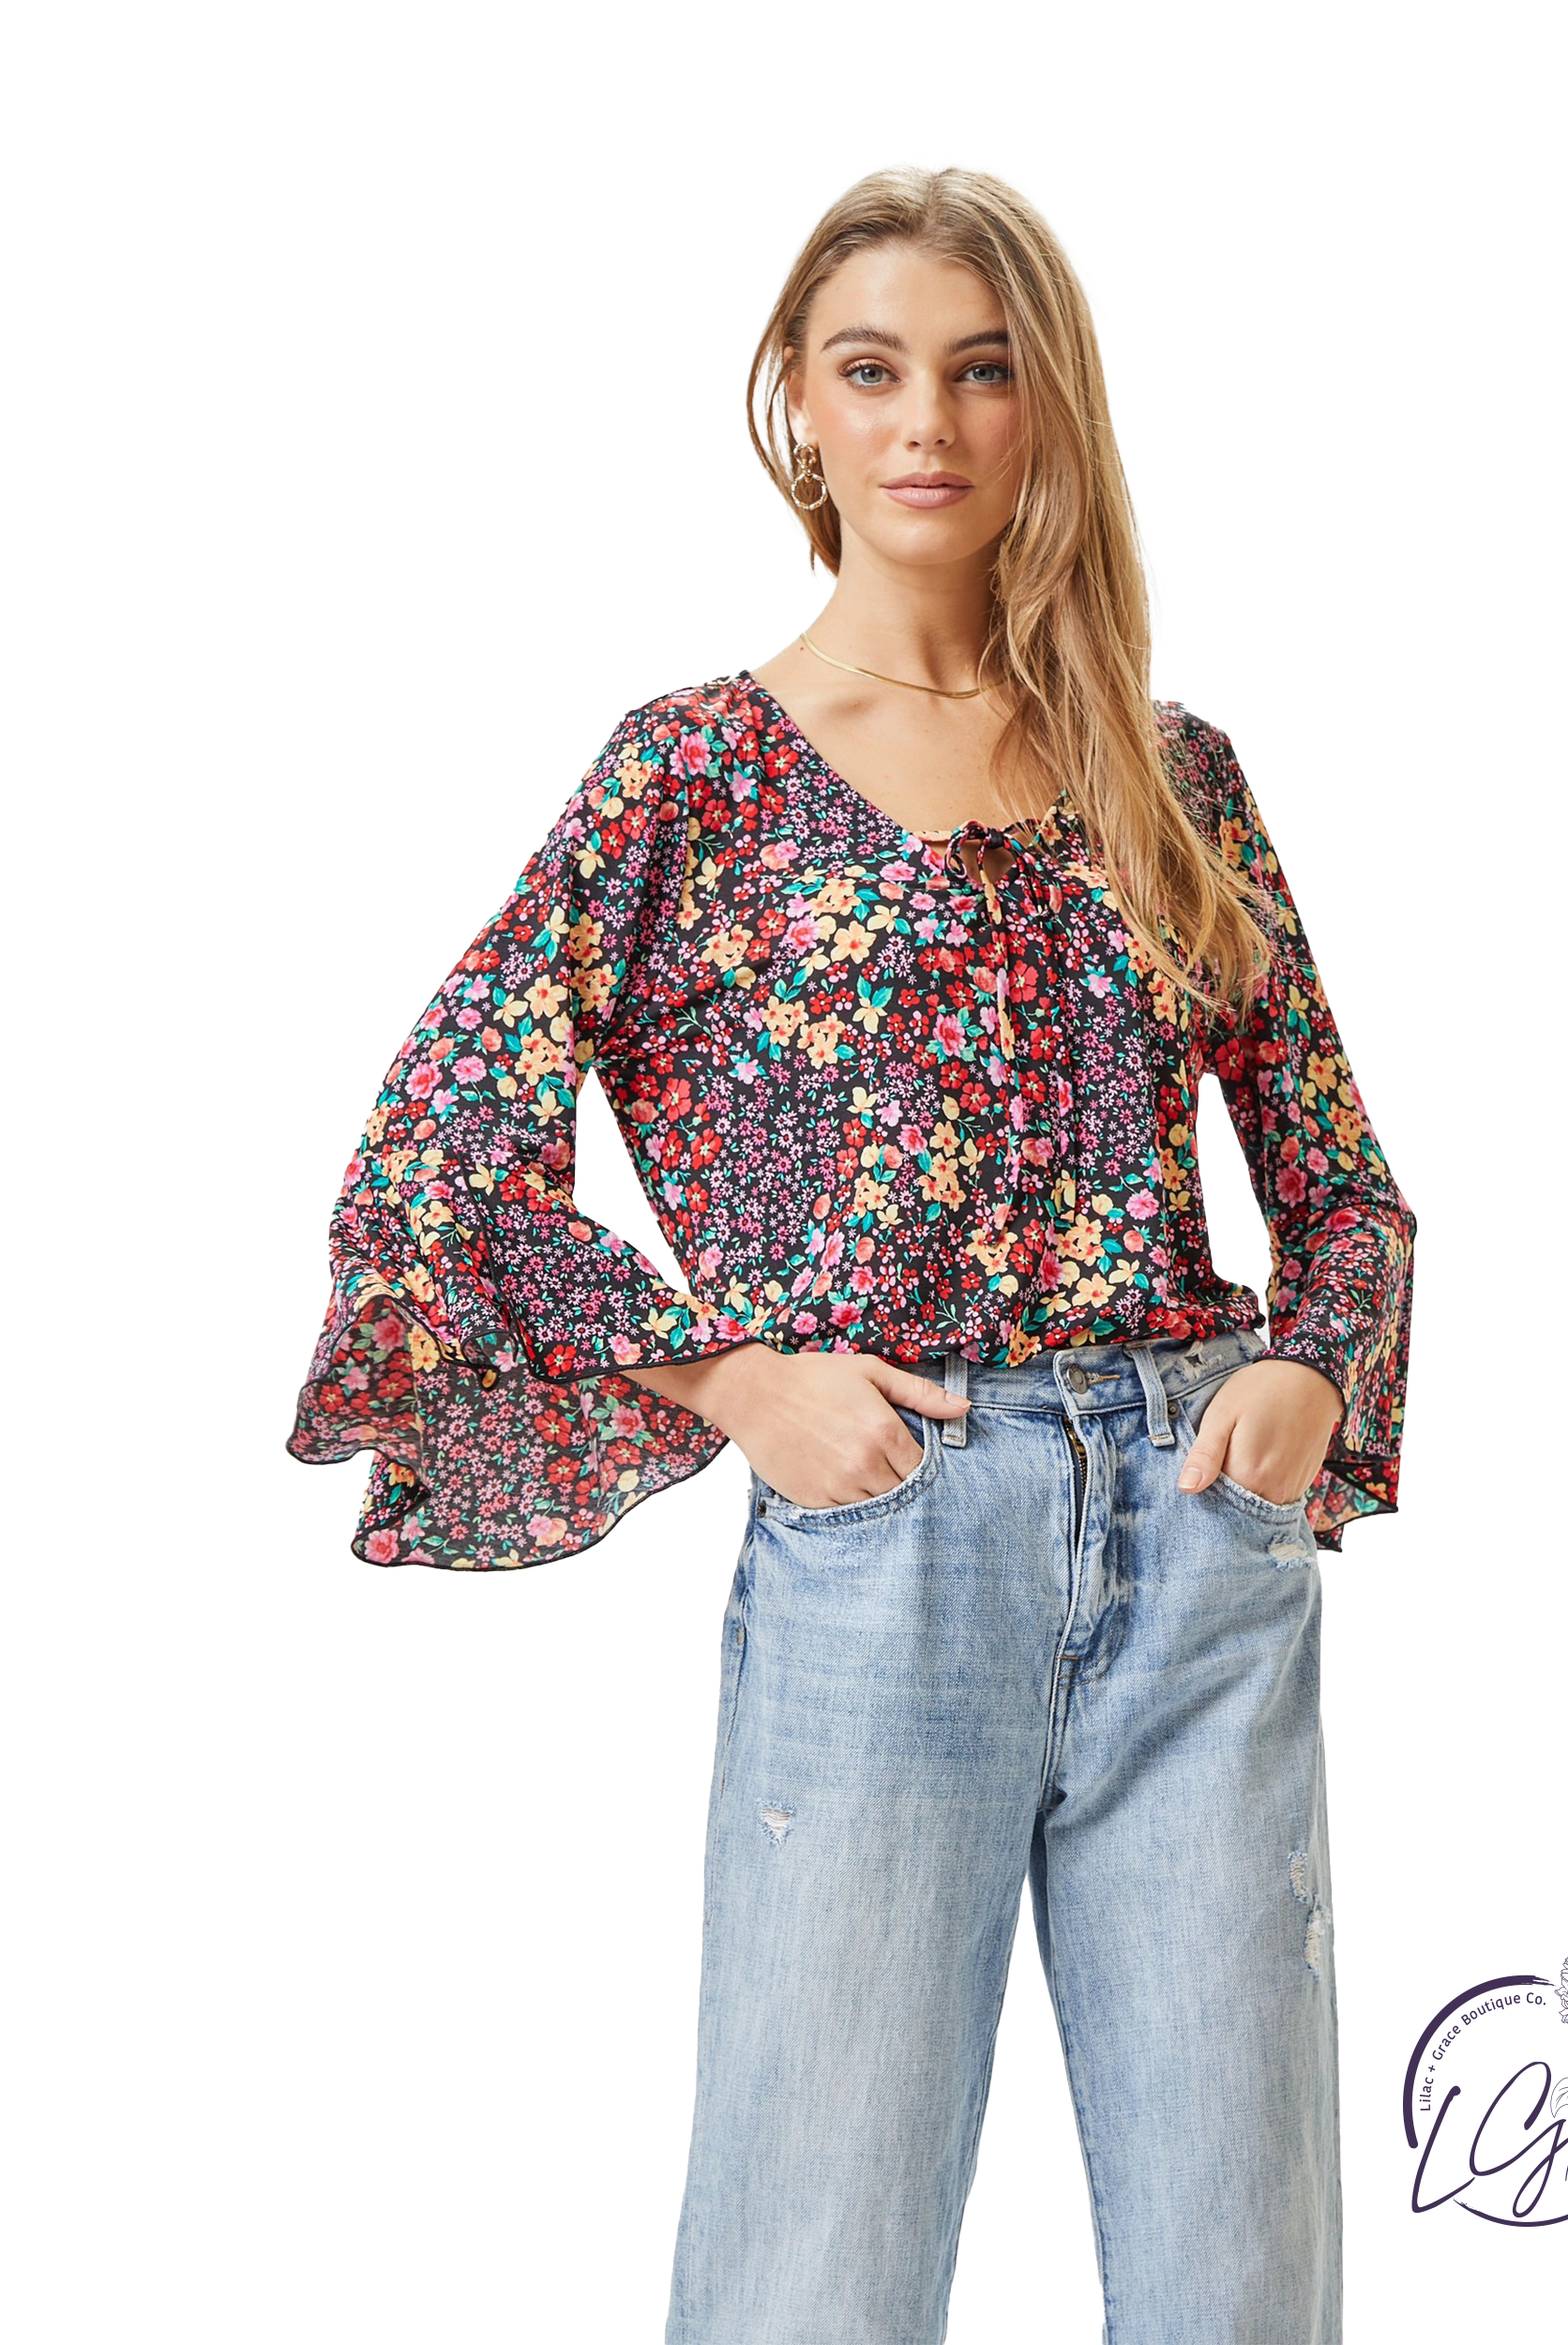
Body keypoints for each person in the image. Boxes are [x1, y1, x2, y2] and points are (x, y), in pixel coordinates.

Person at [288, 165, 1415, 2345]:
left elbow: (1344, 1186)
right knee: (815, 2262)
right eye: (874, 368)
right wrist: (723, 1372)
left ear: (1044, 408)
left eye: (982, 372)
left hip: (1200, 1537)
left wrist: (1309, 1369)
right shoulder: (691, 778)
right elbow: (437, 1154)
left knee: (1243, 2272)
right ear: (796, 403)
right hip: (893, 1532)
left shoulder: (1171, 774)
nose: (928, 422)